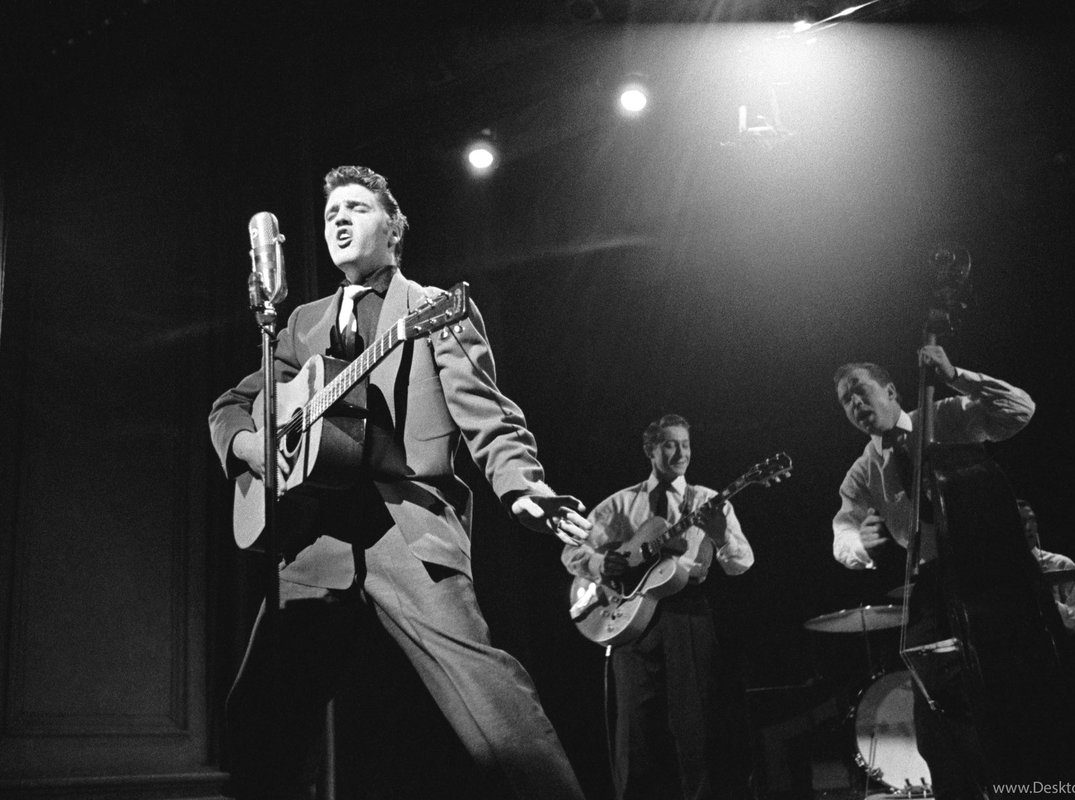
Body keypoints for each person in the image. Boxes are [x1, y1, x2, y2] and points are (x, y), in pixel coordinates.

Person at [209, 165, 592, 800]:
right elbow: (231, 404)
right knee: (257, 722)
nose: (338, 219)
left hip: (404, 531)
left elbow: (488, 415)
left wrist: (525, 486)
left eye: (356, 208)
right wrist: (252, 446)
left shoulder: (433, 309)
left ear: (394, 229)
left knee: (498, 717)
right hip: (314, 545)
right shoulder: (298, 324)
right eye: (331, 211)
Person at [831, 347, 1036, 799]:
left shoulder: (941, 419)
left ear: (890, 391)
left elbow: (1018, 411)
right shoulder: (864, 470)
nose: (856, 406)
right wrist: (856, 546)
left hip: (987, 568)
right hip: (931, 583)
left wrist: (955, 375)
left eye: (860, 392)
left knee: (1006, 700)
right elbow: (842, 526)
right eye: (846, 402)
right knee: (934, 715)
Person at [561, 414, 755, 800]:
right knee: (633, 734)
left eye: (685, 444)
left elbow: (741, 563)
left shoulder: (707, 500)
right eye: (669, 444)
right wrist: (602, 564)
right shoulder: (622, 503)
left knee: (695, 729)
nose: (680, 452)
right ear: (651, 450)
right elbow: (572, 549)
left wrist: (718, 537)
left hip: (688, 614)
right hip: (631, 619)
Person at [1017, 499, 1075, 635]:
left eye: (1032, 520)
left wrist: (1049, 603)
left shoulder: (1061, 565)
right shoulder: (1000, 571)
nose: (1028, 527)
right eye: (1021, 522)